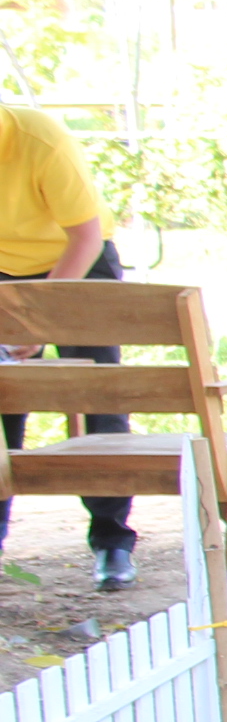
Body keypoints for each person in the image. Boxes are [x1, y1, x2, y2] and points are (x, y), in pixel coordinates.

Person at [0, 108, 136, 592]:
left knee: (97, 395)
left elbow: (84, 236)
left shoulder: (41, 138)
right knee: (4, 398)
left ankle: (112, 541)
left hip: (78, 258)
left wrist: (39, 317)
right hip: (5, 269)